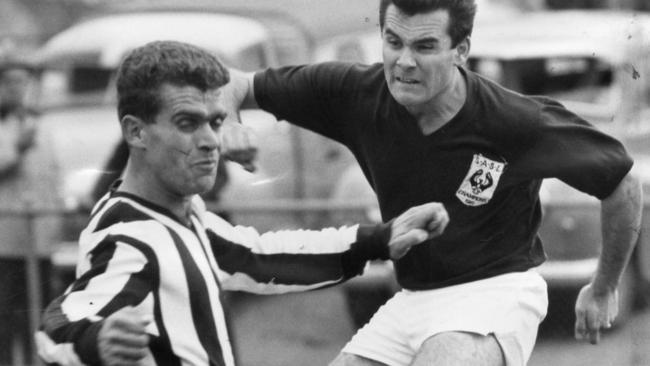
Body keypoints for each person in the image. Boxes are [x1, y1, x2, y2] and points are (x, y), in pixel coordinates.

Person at [219, 0, 643, 364]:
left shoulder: (515, 121)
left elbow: (622, 182)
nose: (404, 62)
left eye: (424, 46)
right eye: (394, 42)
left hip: (496, 291)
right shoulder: (355, 93)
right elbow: (232, 83)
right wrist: (229, 123)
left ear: (461, 50)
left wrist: (603, 287)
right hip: (411, 295)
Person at [35, 40, 449, 366]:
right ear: (136, 132)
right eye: (187, 123)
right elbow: (55, 328)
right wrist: (94, 341)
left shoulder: (182, 214)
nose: (211, 141)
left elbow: (257, 255)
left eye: (215, 122)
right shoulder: (130, 238)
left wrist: (381, 238)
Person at [0, 49, 62, 365]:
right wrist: (15, 148)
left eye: (22, 82)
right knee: (6, 312)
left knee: (38, 309)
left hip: (38, 238)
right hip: (6, 240)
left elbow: (51, 174)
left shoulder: (40, 123)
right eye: (9, 82)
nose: (16, 89)